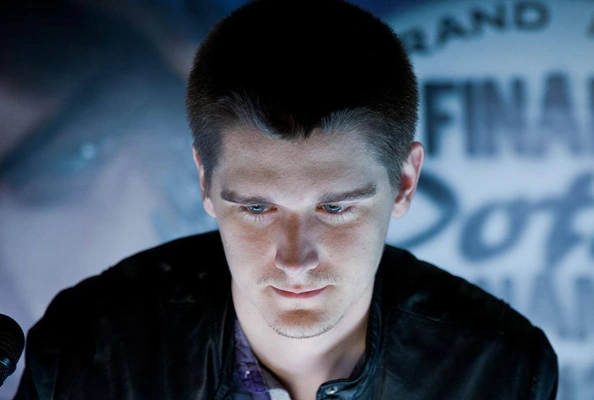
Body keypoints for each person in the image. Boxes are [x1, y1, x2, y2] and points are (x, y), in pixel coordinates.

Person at [13, 0, 558, 399]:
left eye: (335, 208)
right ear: (204, 183)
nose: (295, 259)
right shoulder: (87, 353)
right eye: (257, 208)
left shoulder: (501, 370)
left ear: (405, 183)